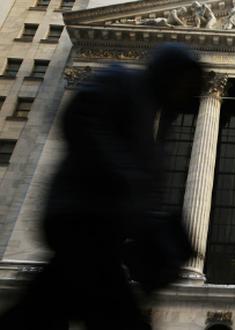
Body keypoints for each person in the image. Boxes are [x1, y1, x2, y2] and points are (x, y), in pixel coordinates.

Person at [0, 43, 202, 330]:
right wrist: (121, 172)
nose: (186, 94)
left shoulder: (154, 117)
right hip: (82, 216)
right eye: (184, 83)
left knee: (47, 304)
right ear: (168, 73)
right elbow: (78, 117)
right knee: (108, 311)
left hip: (100, 229)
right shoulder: (122, 79)